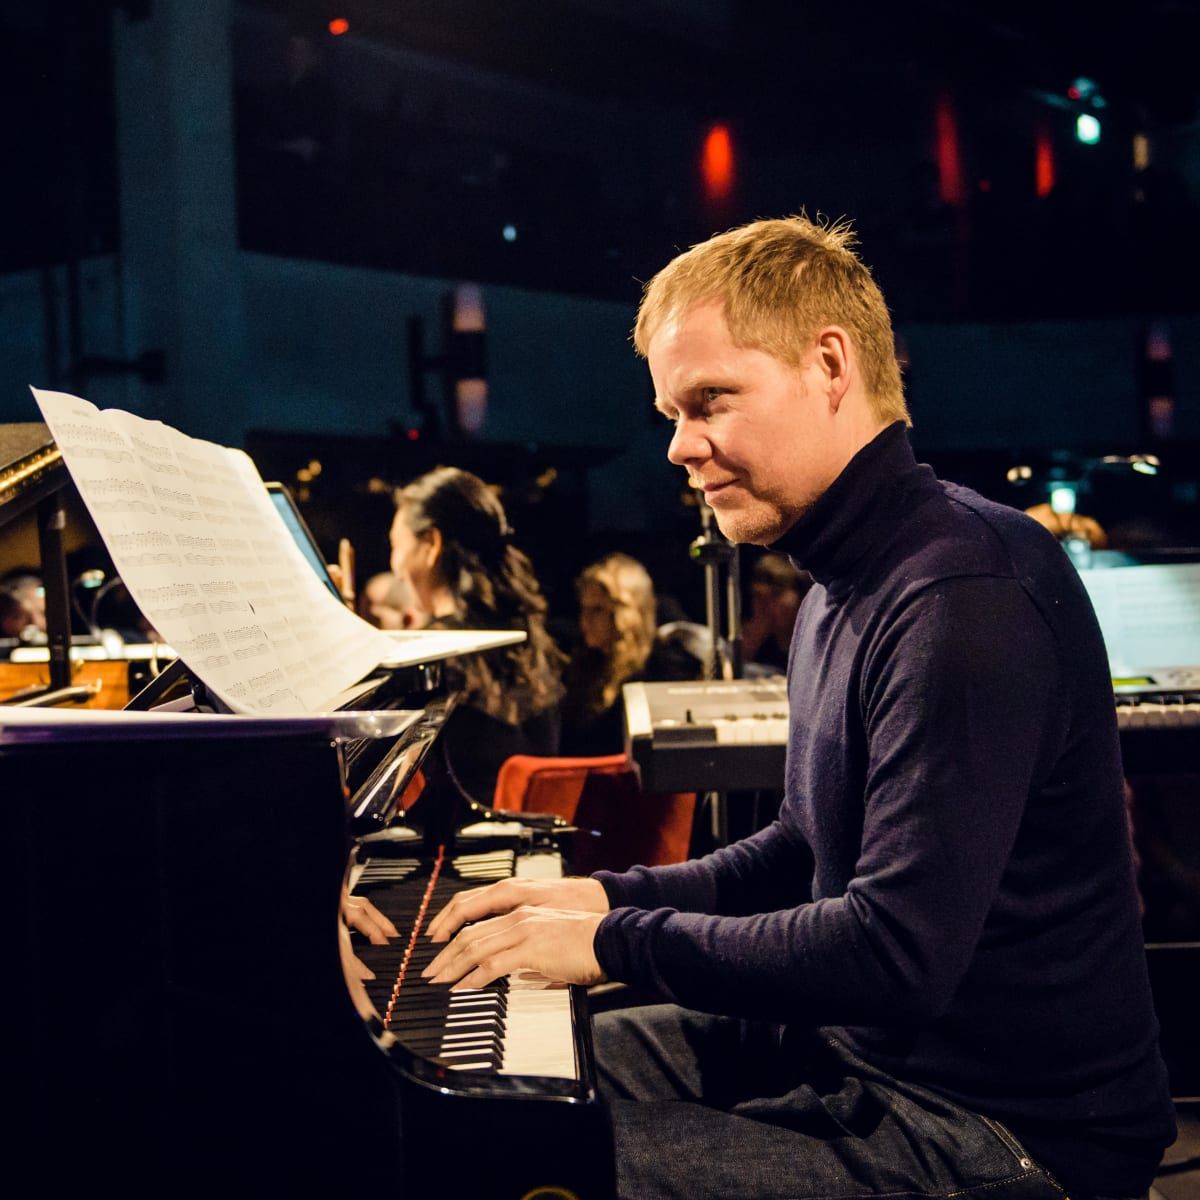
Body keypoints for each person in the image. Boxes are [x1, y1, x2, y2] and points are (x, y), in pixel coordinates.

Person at [418, 215, 1176, 1200]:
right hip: (868, 1059)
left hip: (1007, 1126)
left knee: (520, 1166)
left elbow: (894, 953)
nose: (679, 448)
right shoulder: (835, 586)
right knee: (509, 1094)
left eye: (710, 401)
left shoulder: (963, 596)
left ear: (830, 365)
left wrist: (613, 943)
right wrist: (603, 897)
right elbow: (799, 849)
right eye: (670, 414)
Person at [388, 466, 566, 806]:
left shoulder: (430, 659)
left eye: (395, 545)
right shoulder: (529, 640)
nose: (394, 565)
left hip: (460, 851)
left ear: (431, 544)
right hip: (539, 847)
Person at [559, 552, 700, 756]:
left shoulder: (662, 668)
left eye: (597, 610)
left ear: (626, 613)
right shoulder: (583, 666)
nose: (585, 620)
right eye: (584, 609)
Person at [739, 551, 812, 673]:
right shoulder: (760, 642)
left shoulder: (812, 638)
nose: (765, 606)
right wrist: (753, 640)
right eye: (759, 597)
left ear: (801, 595)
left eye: (776, 594)